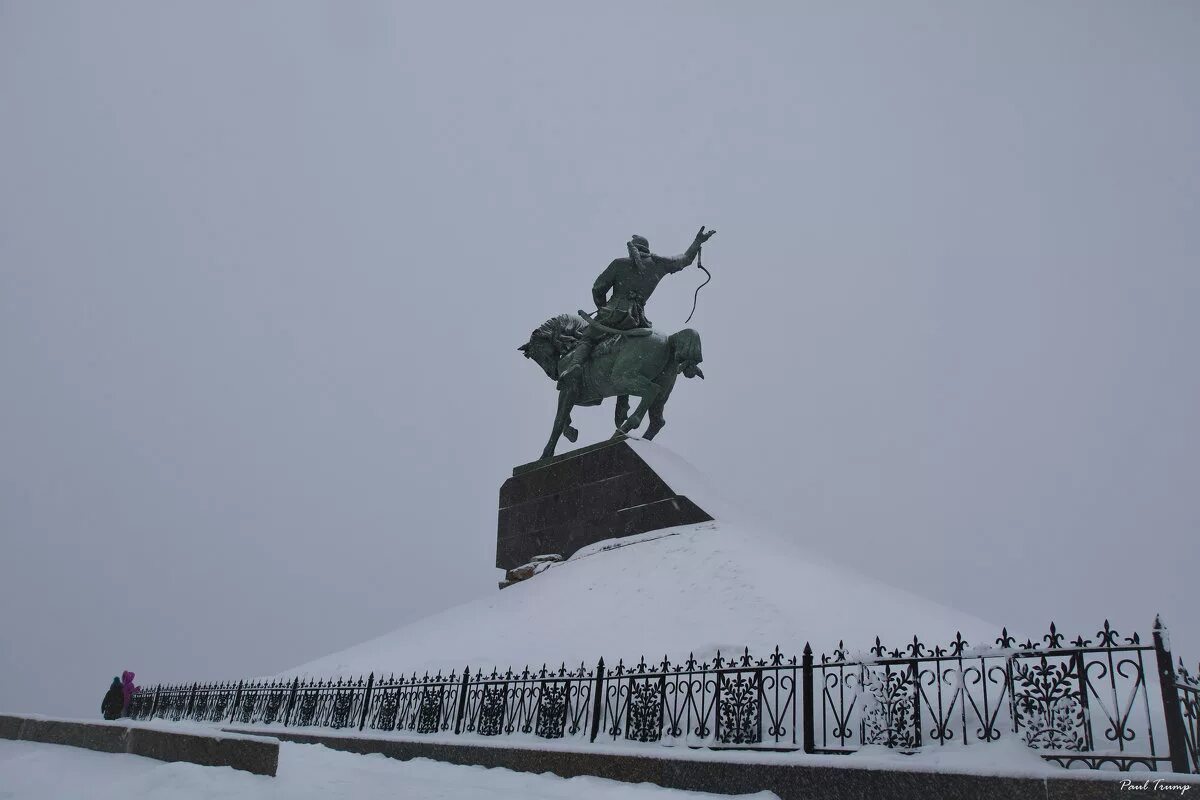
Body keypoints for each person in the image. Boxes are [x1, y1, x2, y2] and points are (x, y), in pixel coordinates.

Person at [557, 227, 716, 388]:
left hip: (614, 315)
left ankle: (575, 366)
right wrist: (697, 242)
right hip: (637, 320)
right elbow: (685, 259)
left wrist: (602, 308)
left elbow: (598, 289)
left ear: (631, 248)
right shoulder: (658, 265)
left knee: (587, 336)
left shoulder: (620, 263)